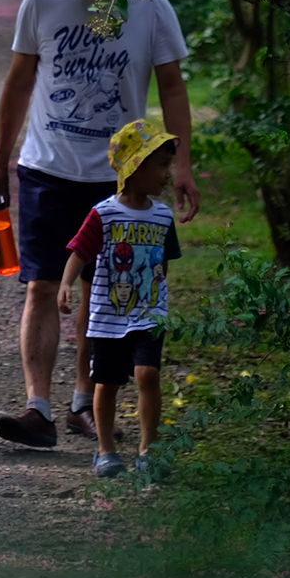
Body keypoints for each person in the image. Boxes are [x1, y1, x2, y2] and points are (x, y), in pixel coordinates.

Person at [0, 0, 199, 449]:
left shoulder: (150, 4)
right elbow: (18, 84)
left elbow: (173, 88)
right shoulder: (41, 1)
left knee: (104, 295)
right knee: (42, 285)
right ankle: (38, 409)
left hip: (118, 178)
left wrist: (180, 164)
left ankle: (83, 404)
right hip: (46, 169)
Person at [58, 121, 181, 477]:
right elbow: (80, 252)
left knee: (148, 374)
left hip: (149, 314)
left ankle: (148, 450)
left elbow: (163, 261)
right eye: (161, 165)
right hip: (107, 315)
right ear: (136, 166)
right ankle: (105, 450)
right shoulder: (104, 213)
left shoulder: (162, 216)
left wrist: (156, 300)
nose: (167, 175)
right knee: (106, 383)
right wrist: (66, 284)